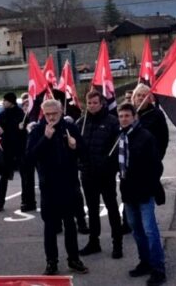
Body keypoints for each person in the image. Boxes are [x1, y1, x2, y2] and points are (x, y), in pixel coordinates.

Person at [26, 99, 89, 275]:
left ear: (61, 112)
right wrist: (45, 139)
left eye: (54, 113)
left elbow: (84, 152)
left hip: (69, 184)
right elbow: (30, 157)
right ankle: (51, 262)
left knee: (70, 224)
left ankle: (74, 259)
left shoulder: (70, 127)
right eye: (48, 114)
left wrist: (75, 146)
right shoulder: (38, 130)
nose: (51, 117)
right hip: (49, 187)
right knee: (50, 227)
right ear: (43, 114)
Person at [117, 103, 166, 286]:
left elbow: (156, 166)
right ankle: (144, 262)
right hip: (128, 192)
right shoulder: (120, 136)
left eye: (127, 116)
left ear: (134, 117)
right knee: (136, 230)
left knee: (150, 230)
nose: (123, 119)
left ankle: (158, 269)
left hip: (144, 191)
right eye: (121, 116)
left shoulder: (145, 137)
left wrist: (149, 186)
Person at [76, 90, 123, 258]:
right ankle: (93, 242)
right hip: (87, 174)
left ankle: (117, 243)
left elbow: (118, 148)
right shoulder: (81, 122)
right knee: (93, 210)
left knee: (112, 209)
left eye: (95, 103)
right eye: (89, 103)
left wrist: (109, 166)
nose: (92, 106)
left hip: (106, 175)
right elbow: (76, 147)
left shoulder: (112, 122)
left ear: (101, 103)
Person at [0, 92, 26, 212]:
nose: (3, 103)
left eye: (5, 101)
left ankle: (24, 200)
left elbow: (24, 132)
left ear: (11, 102)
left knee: (24, 175)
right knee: (4, 176)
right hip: (6, 149)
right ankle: (0, 202)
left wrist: (22, 128)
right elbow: (0, 131)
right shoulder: (2, 115)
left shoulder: (21, 114)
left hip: (19, 148)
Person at [132, 84, 169, 160]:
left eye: (144, 96)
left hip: (150, 158)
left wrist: (158, 157)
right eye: (138, 95)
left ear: (149, 99)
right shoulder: (128, 113)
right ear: (134, 97)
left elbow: (164, 138)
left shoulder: (157, 114)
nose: (140, 98)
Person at [18, 93, 38, 212]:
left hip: (36, 152)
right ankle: (28, 201)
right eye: (24, 104)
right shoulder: (21, 118)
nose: (26, 107)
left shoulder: (35, 118)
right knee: (26, 179)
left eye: (28, 104)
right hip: (25, 154)